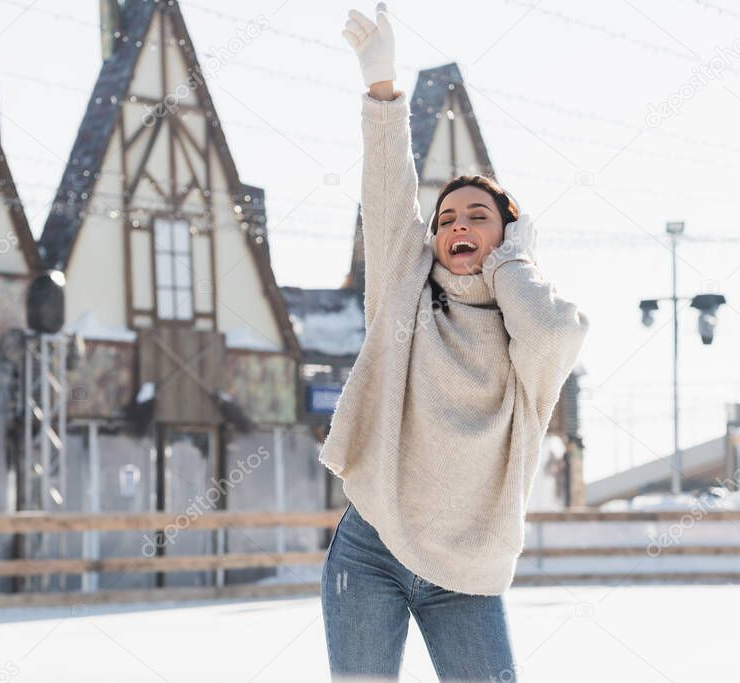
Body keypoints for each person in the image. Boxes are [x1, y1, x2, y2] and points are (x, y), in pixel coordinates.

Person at [320, 4, 590, 681]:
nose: (457, 225)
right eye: (445, 218)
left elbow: (557, 330)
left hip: (464, 571)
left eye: (479, 215)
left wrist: (509, 265)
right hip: (368, 547)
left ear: (509, 233)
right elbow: (388, 190)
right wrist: (381, 87)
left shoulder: (526, 339)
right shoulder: (404, 283)